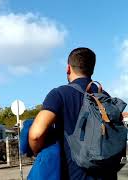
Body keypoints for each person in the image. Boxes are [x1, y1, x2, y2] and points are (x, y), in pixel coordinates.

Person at [28, 47, 120, 179]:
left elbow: (35, 135)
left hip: (74, 174)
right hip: (107, 174)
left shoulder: (59, 94)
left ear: (68, 68)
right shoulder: (105, 97)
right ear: (91, 70)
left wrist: (39, 153)